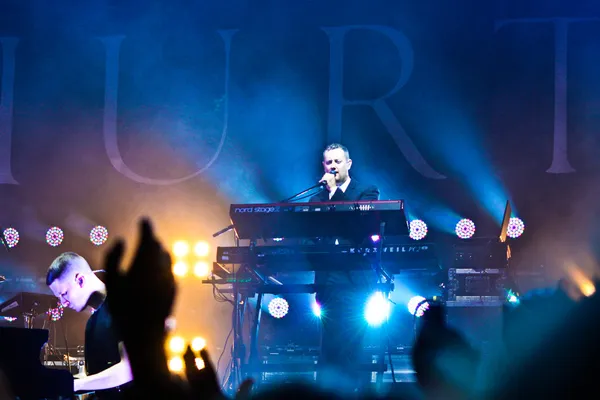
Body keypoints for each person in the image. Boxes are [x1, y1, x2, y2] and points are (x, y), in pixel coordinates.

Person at [309, 143, 380, 392]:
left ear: (348, 164)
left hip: (355, 280)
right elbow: (313, 235)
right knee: (328, 347)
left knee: (353, 346)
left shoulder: (367, 192)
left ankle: (354, 393)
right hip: (328, 281)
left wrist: (335, 195)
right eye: (329, 162)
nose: (333, 166)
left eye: (338, 162)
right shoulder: (316, 198)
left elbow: (357, 226)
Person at [46, 252, 133, 399]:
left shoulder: (126, 301)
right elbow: (97, 375)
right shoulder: (93, 322)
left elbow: (129, 369)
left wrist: (73, 385)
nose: (62, 303)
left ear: (80, 280)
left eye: (64, 293)